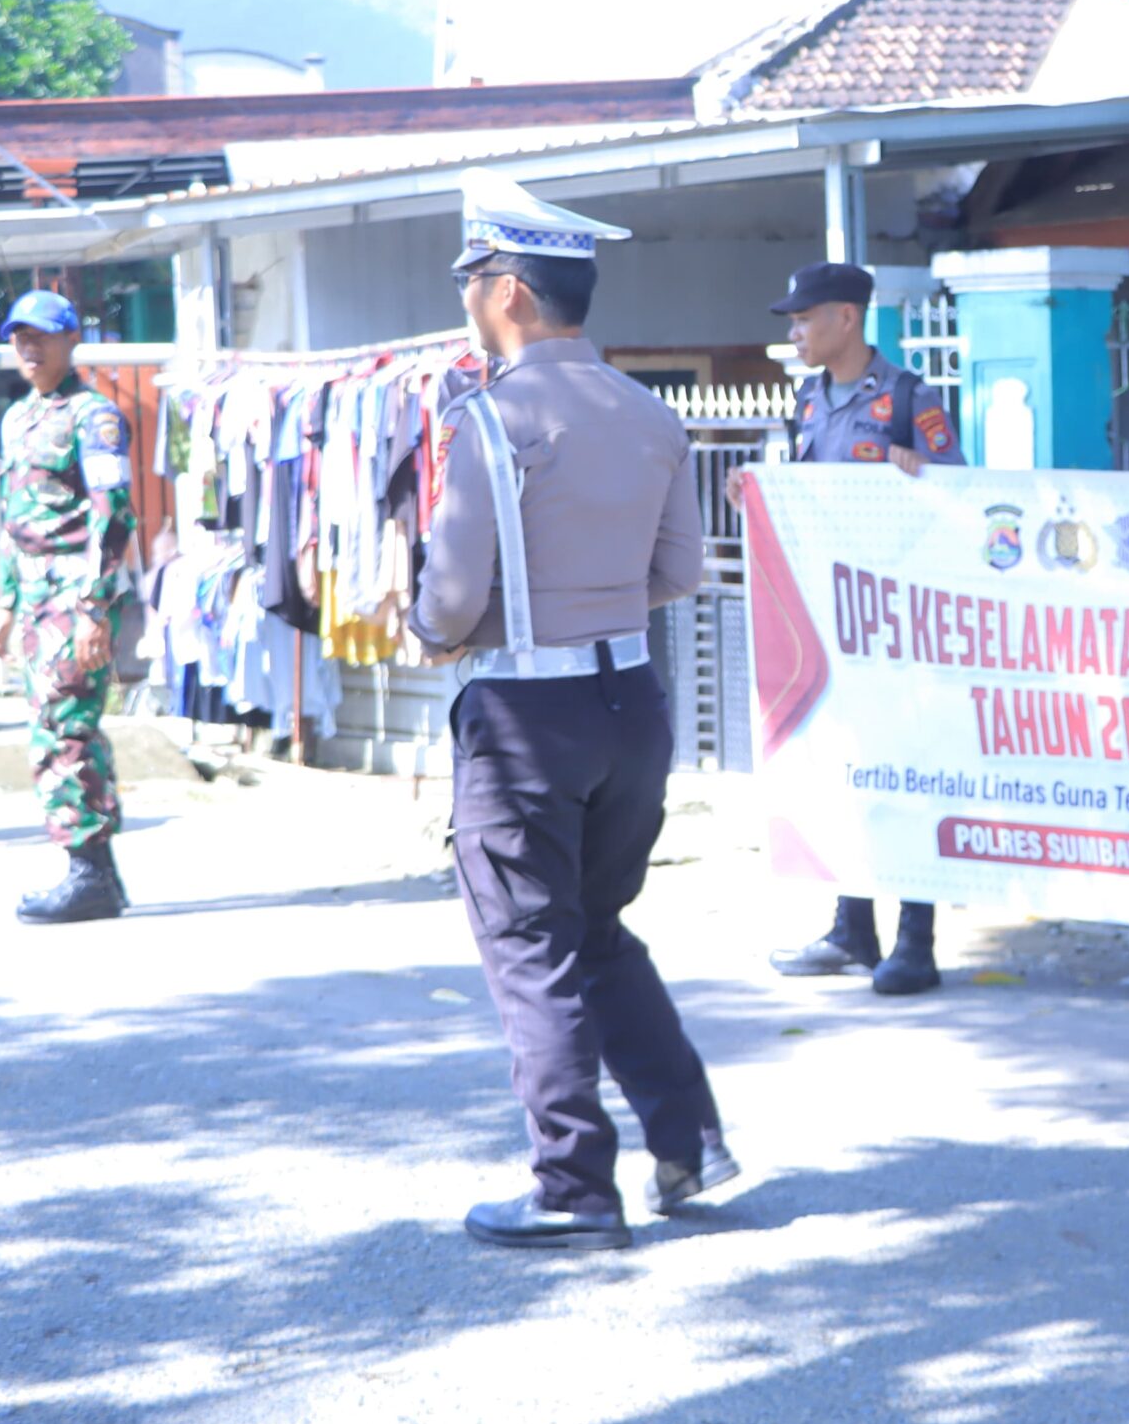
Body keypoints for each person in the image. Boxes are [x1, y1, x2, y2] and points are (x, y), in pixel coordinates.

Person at [411, 169, 737, 1253]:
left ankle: (573, 1185)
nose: (466, 298)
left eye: (470, 279)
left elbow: (451, 599)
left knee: (530, 946)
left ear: (508, 291)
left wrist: (441, 628)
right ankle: (688, 1140)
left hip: (523, 714)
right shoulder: (650, 413)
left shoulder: (490, 420)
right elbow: (679, 571)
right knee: (597, 931)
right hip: (630, 699)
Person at [744, 260, 967, 995]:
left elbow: (959, 493)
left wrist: (920, 473)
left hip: (897, 623)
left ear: (846, 317)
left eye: (804, 320)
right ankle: (852, 929)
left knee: (906, 772)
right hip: (828, 618)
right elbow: (804, 495)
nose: (795, 334)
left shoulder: (909, 397)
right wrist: (757, 495)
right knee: (843, 772)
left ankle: (916, 941)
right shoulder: (807, 400)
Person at [0, 290, 137, 925]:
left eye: (42, 335)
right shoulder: (18, 417)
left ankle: (88, 874)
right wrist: (4, 602)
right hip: (34, 597)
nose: (29, 346)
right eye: (20, 336)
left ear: (72, 339)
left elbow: (113, 513)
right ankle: (99, 873)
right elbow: (13, 517)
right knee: (58, 726)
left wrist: (95, 607)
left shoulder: (94, 417)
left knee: (64, 729)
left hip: (74, 598)